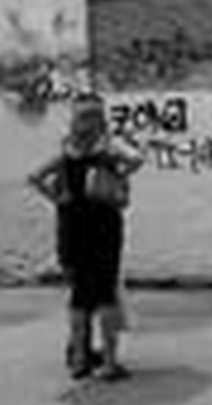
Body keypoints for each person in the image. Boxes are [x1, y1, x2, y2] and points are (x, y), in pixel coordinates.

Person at [28, 92, 142, 380]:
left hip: (72, 229)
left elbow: (34, 176)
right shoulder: (107, 149)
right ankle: (109, 363)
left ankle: (79, 359)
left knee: (79, 296)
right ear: (99, 117)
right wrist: (119, 175)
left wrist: (56, 196)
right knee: (105, 296)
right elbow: (137, 159)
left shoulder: (66, 150)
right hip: (104, 227)